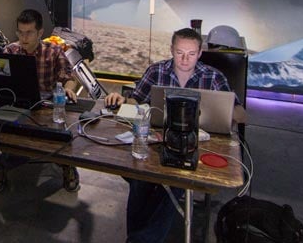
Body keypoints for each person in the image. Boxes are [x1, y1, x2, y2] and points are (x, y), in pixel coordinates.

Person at [105, 27, 245, 243]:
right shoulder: (156, 71)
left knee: (174, 180)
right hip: (156, 143)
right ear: (171, 49)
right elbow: (136, 100)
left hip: (192, 145)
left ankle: (139, 240)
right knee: (140, 178)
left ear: (199, 53)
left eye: (191, 54)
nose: (185, 59)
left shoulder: (213, 77)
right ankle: (139, 238)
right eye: (180, 52)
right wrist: (124, 102)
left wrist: (228, 112)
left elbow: (240, 113)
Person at [0, 9, 80, 193]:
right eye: (20, 32)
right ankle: (3, 162)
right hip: (19, 104)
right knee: (7, 134)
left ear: (39, 33)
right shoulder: (10, 51)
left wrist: (68, 88)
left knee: (59, 136)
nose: (24, 37)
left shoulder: (53, 51)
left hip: (47, 106)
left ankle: (67, 164)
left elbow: (70, 77)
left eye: (29, 32)